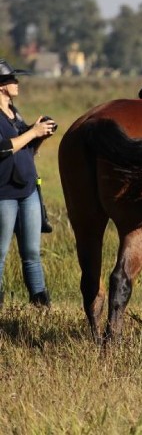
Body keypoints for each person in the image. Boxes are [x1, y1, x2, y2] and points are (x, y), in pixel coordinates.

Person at [0, 60, 57, 308]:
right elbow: (3, 148)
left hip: (28, 189)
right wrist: (32, 132)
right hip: (4, 193)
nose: (17, 83)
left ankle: (39, 302)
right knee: (0, 254)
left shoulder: (15, 112)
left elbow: (27, 148)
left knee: (32, 253)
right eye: (13, 79)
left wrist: (40, 135)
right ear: (1, 86)